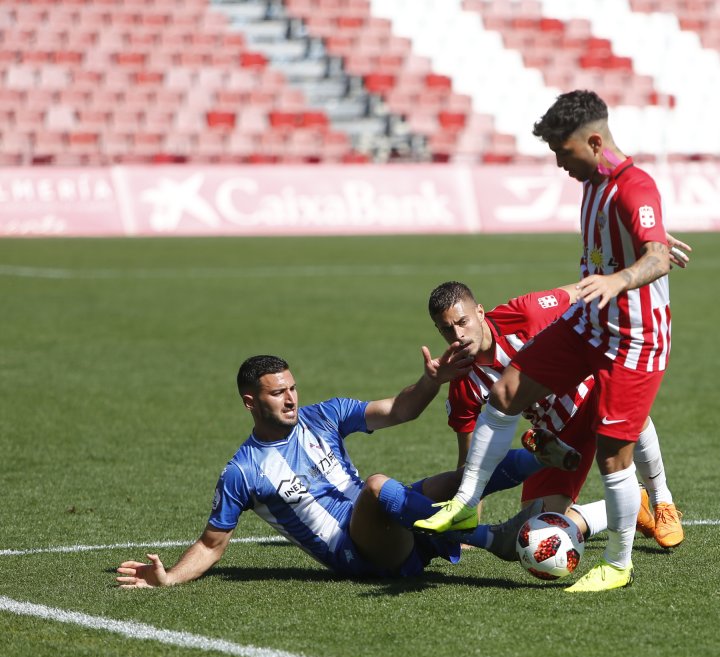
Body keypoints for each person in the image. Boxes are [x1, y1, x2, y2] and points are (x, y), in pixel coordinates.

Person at [416, 90, 676, 592]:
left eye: (564, 151)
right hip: (592, 324)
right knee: (506, 393)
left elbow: (657, 256)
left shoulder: (634, 185)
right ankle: (465, 503)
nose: (559, 163)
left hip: (635, 339)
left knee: (614, 455)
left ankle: (619, 563)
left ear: (594, 141)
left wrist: (624, 277)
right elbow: (644, 245)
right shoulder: (594, 185)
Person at [114, 352, 549, 588]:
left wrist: (431, 382)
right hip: (360, 555)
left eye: (292, 388)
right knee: (379, 486)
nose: (290, 399)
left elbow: (400, 410)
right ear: (251, 402)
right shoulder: (243, 471)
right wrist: (168, 576)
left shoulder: (324, 416)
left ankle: (561, 452)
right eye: (277, 393)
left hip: (390, 523)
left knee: (460, 477)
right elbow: (212, 544)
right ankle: (494, 539)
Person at [427, 280, 684, 549]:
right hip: (556, 439)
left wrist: (622, 280)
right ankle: (630, 504)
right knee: (535, 536)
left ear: (479, 312)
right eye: (447, 329)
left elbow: (578, 293)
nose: (458, 335)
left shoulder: (527, 313)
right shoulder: (462, 381)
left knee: (622, 396)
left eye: (462, 321)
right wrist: (464, 515)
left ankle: (661, 499)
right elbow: (470, 461)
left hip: (591, 392)